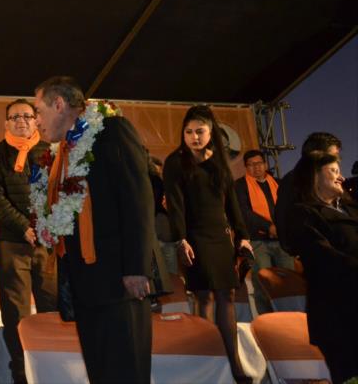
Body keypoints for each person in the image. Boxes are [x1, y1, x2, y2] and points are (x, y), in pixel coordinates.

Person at [33, 76, 155, 383]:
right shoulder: (65, 150)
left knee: (125, 372)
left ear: (59, 104)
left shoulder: (111, 130)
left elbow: (137, 199)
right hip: (86, 284)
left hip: (120, 279)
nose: (36, 121)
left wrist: (137, 268)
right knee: (101, 373)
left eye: (38, 111)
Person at [163, 105, 252, 383]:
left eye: (199, 131)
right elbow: (175, 205)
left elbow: (232, 201)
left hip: (220, 238)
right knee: (204, 297)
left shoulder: (218, 160)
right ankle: (207, 363)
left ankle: (235, 363)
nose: (194, 137)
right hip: (194, 238)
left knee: (227, 297)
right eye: (188, 132)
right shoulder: (175, 162)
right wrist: (181, 239)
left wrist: (243, 234)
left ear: (211, 131)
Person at [0, 98, 56, 383]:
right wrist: (23, 225)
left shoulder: (51, 151)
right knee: (16, 311)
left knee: (52, 305)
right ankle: (21, 371)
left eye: (26, 115)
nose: (21, 121)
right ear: (6, 123)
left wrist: (48, 224)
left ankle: (51, 365)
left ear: (37, 120)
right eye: (14, 117)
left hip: (48, 241)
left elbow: (62, 192)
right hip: (13, 242)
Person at [288, 152, 357, 383]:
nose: (341, 178)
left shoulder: (351, 209)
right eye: (334, 171)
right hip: (339, 315)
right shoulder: (303, 214)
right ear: (314, 177)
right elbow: (323, 257)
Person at [234, 149, 294, 313]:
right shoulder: (239, 185)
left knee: (288, 280)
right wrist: (269, 227)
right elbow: (244, 213)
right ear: (246, 167)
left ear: (265, 164)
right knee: (262, 282)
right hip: (258, 241)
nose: (256, 167)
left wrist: (281, 227)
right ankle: (267, 318)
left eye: (259, 163)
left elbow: (288, 208)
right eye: (251, 165)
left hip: (282, 241)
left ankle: (292, 316)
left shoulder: (278, 183)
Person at [275, 132, 342, 254]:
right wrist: (294, 250)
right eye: (333, 155)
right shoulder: (293, 180)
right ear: (316, 154)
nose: (337, 160)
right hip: (317, 253)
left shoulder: (330, 179)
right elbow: (283, 214)